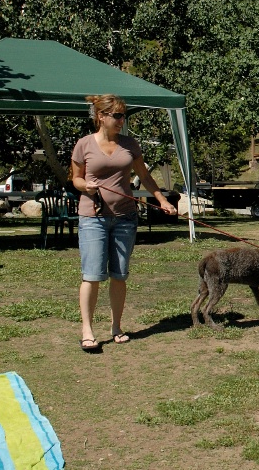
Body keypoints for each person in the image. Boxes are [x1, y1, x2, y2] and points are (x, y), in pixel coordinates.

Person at [72, 94, 177, 351]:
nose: (122, 120)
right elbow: (75, 179)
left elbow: (145, 176)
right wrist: (87, 185)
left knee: (119, 275)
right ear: (101, 117)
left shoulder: (130, 145)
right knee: (92, 275)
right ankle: (87, 330)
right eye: (117, 116)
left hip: (125, 218)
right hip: (93, 218)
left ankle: (116, 326)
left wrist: (161, 200)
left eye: (123, 115)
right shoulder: (84, 145)